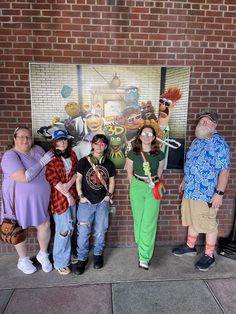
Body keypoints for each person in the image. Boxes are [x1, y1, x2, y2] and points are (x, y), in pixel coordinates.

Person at [172, 111, 230, 271]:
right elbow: (192, 163)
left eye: (208, 121)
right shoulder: (197, 141)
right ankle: (190, 245)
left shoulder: (218, 143)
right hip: (191, 190)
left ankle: (209, 255)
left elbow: (224, 171)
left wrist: (219, 193)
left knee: (208, 223)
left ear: (214, 125)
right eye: (202, 121)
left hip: (206, 193)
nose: (203, 123)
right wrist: (185, 179)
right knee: (192, 219)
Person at [0, 126, 54, 274]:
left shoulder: (37, 150)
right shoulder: (10, 156)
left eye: (28, 137)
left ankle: (43, 255)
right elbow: (24, 177)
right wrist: (42, 162)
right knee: (18, 228)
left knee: (44, 224)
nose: (25, 139)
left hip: (40, 199)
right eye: (21, 137)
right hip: (18, 201)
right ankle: (22, 260)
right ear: (14, 138)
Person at [74, 134, 116, 275]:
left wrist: (108, 196)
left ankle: (98, 255)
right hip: (86, 203)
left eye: (102, 144)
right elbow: (78, 180)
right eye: (97, 143)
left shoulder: (109, 164)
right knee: (83, 233)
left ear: (105, 146)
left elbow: (112, 181)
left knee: (100, 231)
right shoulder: (83, 162)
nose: (99, 146)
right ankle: (82, 259)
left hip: (102, 204)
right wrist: (81, 196)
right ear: (92, 145)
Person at [125, 125, 165, 270]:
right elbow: (129, 172)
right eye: (144, 133)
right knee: (139, 219)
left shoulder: (159, 154)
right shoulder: (132, 154)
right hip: (137, 186)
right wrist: (136, 185)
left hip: (153, 188)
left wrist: (152, 183)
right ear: (139, 136)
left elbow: (159, 173)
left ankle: (144, 257)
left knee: (149, 222)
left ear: (154, 137)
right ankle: (142, 243)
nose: (147, 136)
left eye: (150, 134)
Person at [45, 129, 78, 275]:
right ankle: (60, 262)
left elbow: (77, 172)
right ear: (54, 142)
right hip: (60, 198)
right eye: (59, 140)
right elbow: (52, 178)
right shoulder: (50, 158)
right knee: (63, 230)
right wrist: (67, 195)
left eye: (64, 139)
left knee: (70, 227)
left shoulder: (72, 154)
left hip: (72, 194)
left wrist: (69, 187)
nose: (63, 142)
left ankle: (68, 255)